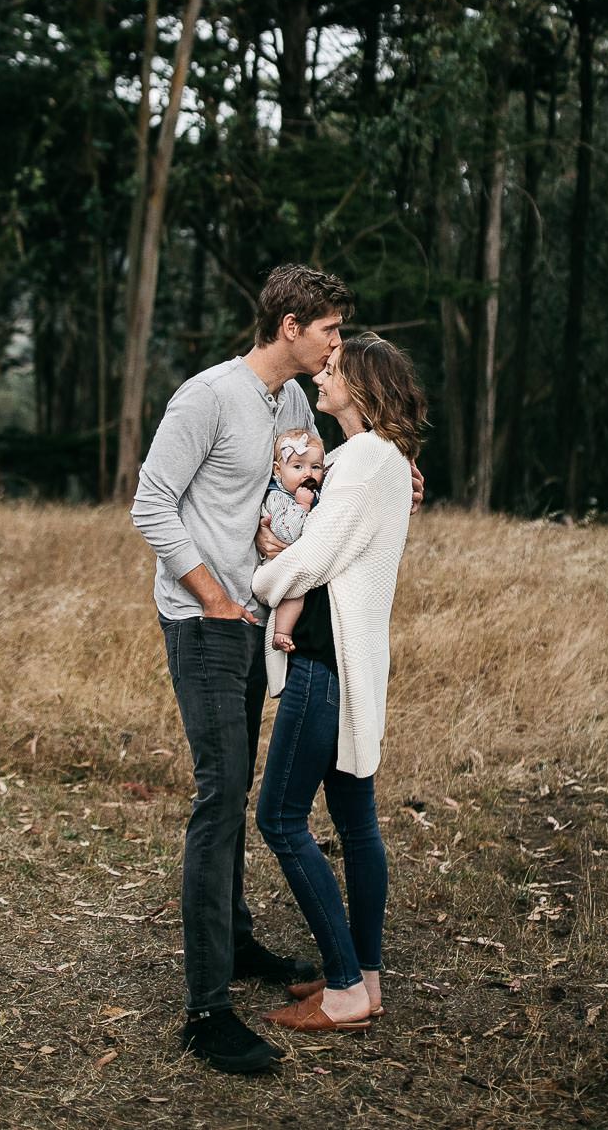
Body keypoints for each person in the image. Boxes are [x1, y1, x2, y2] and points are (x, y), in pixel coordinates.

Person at [130, 264, 353, 1075]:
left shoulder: (291, 402)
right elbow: (150, 503)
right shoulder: (207, 397)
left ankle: (238, 940)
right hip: (204, 622)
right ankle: (206, 1011)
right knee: (221, 794)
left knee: (235, 782)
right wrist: (214, 596)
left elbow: (310, 481)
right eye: (329, 329)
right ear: (290, 326)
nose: (337, 344)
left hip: (256, 621)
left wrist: (387, 474)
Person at [251, 332, 428, 1034]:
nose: (321, 376)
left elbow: (314, 557)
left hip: (324, 665)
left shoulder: (362, 461)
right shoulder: (382, 459)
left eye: (332, 370)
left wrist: (263, 579)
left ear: (360, 386)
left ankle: (347, 989)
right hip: (348, 662)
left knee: (279, 818)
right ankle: (366, 976)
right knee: (356, 825)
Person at [264, 430, 326, 655]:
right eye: (298, 466)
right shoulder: (278, 497)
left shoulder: (313, 493)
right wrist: (302, 506)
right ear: (278, 470)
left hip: (303, 560)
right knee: (294, 592)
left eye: (315, 467)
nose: (308, 473)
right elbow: (286, 533)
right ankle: (282, 632)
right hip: (280, 563)